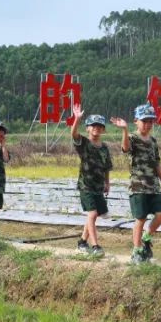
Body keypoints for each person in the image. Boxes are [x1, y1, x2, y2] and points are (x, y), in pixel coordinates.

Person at [111, 103, 161, 264]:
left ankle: (146, 237)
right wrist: (124, 130)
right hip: (138, 186)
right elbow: (125, 148)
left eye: (151, 121)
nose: (148, 124)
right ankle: (136, 250)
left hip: (153, 185)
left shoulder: (152, 140)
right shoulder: (132, 138)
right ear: (136, 121)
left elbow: (156, 162)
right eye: (145, 121)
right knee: (141, 218)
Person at [70, 105, 111, 257]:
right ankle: (95, 246)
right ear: (87, 128)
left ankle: (82, 241)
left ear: (103, 129)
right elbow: (73, 134)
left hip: (98, 186)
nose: (96, 128)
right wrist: (77, 119)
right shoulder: (84, 144)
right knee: (92, 214)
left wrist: (107, 183)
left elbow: (107, 166)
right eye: (93, 126)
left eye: (99, 126)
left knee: (95, 215)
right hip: (86, 185)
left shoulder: (104, 148)